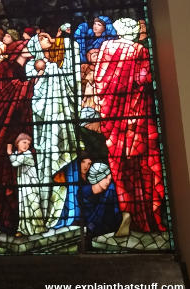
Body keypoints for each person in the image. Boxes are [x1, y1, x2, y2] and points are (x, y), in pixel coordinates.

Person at [94, 18, 166, 233]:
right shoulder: (139, 51)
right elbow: (143, 80)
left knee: (119, 166)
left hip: (112, 120)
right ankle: (142, 216)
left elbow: (100, 80)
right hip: (135, 118)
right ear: (134, 32)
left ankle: (126, 214)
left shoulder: (106, 47)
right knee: (140, 166)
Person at [0, 40, 44, 234]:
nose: (29, 49)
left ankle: (13, 222)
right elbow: (1, 93)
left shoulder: (24, 69)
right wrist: (29, 84)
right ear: (16, 51)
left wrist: (30, 82)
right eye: (25, 47)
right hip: (1, 128)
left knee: (13, 177)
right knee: (0, 175)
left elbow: (22, 94)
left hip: (17, 128)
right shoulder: (4, 67)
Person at [26, 32, 82, 228]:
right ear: (36, 46)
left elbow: (71, 75)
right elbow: (36, 99)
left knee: (70, 165)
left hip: (64, 123)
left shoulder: (59, 61)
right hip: (48, 129)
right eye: (41, 38)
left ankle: (73, 213)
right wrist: (43, 72)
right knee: (55, 168)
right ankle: (58, 214)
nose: (47, 38)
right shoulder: (34, 66)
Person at [8, 133, 46, 236]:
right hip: (23, 184)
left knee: (33, 204)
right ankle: (23, 228)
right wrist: (12, 153)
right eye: (24, 142)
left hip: (31, 184)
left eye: (28, 144)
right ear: (17, 142)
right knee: (23, 205)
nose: (26, 145)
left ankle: (38, 227)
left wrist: (9, 152)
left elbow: (14, 163)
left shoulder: (27, 153)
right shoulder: (18, 153)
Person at [79, 162, 122, 243]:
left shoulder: (110, 192)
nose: (108, 182)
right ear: (97, 176)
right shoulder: (82, 192)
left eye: (109, 179)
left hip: (105, 234)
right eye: (105, 177)